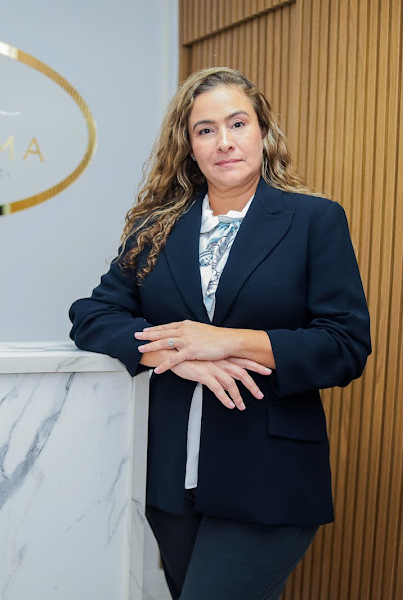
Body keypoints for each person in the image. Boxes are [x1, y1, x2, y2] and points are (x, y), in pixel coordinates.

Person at [69, 67, 371, 600]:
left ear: (263, 132)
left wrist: (228, 340)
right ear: (189, 146)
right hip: (171, 482)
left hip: (268, 477)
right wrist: (176, 353)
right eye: (205, 130)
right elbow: (93, 315)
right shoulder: (156, 228)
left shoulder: (313, 220)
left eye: (238, 123)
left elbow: (344, 344)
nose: (224, 142)